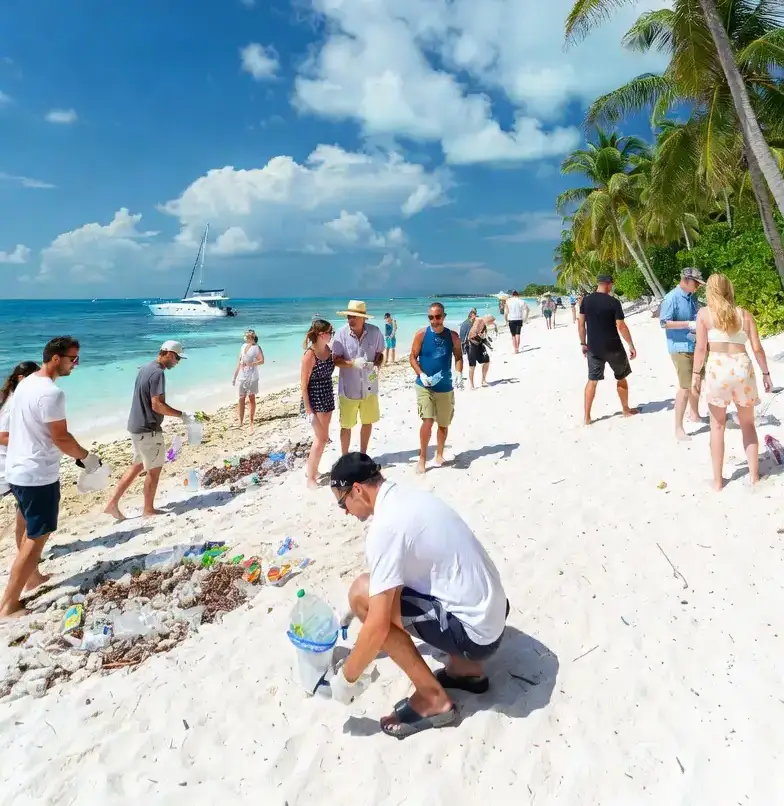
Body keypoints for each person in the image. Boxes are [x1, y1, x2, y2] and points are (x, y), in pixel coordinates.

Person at [327, 453, 508, 740]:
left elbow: (377, 625)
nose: (345, 511)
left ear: (358, 489)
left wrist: (347, 680)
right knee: (381, 589)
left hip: (475, 636)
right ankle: (466, 670)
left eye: (342, 502)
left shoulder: (385, 527)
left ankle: (433, 699)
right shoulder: (405, 497)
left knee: (362, 595)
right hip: (493, 616)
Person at [1, 337, 100, 618]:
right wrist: (86, 457)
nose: (76, 364)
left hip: (16, 471)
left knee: (27, 524)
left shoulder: (26, 384)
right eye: (73, 359)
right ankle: (8, 604)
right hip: (37, 474)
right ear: (56, 358)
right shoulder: (50, 393)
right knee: (37, 536)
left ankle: (32, 579)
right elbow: (61, 438)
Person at [691, 273, 772, 491]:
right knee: (748, 424)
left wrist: (696, 375)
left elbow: (700, 348)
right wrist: (766, 374)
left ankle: (718, 481)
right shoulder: (744, 315)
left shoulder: (704, 315)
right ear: (729, 289)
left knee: (717, 426)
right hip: (742, 369)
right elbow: (757, 348)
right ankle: (754, 477)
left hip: (718, 369)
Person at [104, 341, 190, 521]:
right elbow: (157, 404)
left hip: (136, 426)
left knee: (137, 466)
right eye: (177, 358)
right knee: (154, 470)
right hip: (148, 428)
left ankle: (112, 503)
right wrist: (181, 415)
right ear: (168, 354)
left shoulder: (145, 368)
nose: (178, 362)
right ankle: (148, 510)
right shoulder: (158, 372)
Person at [410, 303, 463, 473]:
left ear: (444, 316)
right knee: (427, 421)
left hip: (445, 387)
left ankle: (439, 454)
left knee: (443, 424)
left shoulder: (453, 336)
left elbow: (459, 357)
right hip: (424, 386)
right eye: (431, 317)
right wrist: (421, 374)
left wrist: (459, 373)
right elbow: (412, 357)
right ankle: (423, 458)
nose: (434, 321)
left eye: (438, 317)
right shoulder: (421, 335)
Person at [578, 275, 639, 425]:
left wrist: (583, 343)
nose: (611, 287)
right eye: (611, 284)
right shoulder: (613, 302)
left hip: (594, 347)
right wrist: (631, 345)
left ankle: (587, 417)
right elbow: (621, 326)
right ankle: (625, 410)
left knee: (592, 381)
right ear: (607, 284)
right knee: (621, 377)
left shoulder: (586, 301)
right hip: (613, 347)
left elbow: (580, 324)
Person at [0, 361, 41, 567]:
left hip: (13, 464)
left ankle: (23, 553)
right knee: (28, 514)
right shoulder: (13, 402)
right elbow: (2, 436)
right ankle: (26, 563)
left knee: (23, 513)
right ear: (20, 379)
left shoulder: (15, 398)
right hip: (9, 467)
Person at [332, 301, 385, 456]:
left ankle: (363, 454)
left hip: (370, 388)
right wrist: (352, 363)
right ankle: (344, 457)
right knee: (346, 425)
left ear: (363, 318)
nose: (351, 320)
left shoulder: (375, 332)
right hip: (349, 389)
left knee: (367, 422)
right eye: (349, 316)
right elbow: (335, 360)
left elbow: (380, 354)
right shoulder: (341, 334)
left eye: (354, 316)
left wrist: (376, 366)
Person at [659, 268, 704, 441]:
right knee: (685, 388)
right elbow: (664, 323)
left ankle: (695, 414)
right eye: (696, 282)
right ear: (686, 280)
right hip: (679, 347)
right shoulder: (671, 297)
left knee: (697, 380)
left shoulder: (692, 296)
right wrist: (688, 324)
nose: (698, 286)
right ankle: (678, 428)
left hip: (695, 344)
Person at [300, 319, 335, 488]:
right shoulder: (309, 355)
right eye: (331, 332)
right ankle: (310, 479)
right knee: (321, 439)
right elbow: (303, 384)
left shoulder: (328, 350)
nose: (332, 335)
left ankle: (313, 470)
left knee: (323, 438)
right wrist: (308, 409)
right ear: (322, 335)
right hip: (314, 400)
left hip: (327, 395)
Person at [233, 329, 264, 429]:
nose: (244, 337)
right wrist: (234, 376)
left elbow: (262, 360)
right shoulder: (242, 346)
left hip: (252, 376)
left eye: (246, 336)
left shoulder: (257, 348)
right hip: (242, 376)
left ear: (252, 337)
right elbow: (239, 362)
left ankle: (251, 421)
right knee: (241, 398)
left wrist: (252, 364)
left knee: (251, 398)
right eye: (245, 336)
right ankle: (240, 421)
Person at [466, 313, 495, 390]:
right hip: (471, 344)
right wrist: (479, 334)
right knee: (472, 366)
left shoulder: (484, 325)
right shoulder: (479, 321)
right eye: (490, 322)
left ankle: (483, 380)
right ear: (487, 319)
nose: (490, 324)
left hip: (479, 344)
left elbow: (483, 338)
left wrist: (489, 346)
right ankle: (472, 385)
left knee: (487, 361)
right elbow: (472, 334)